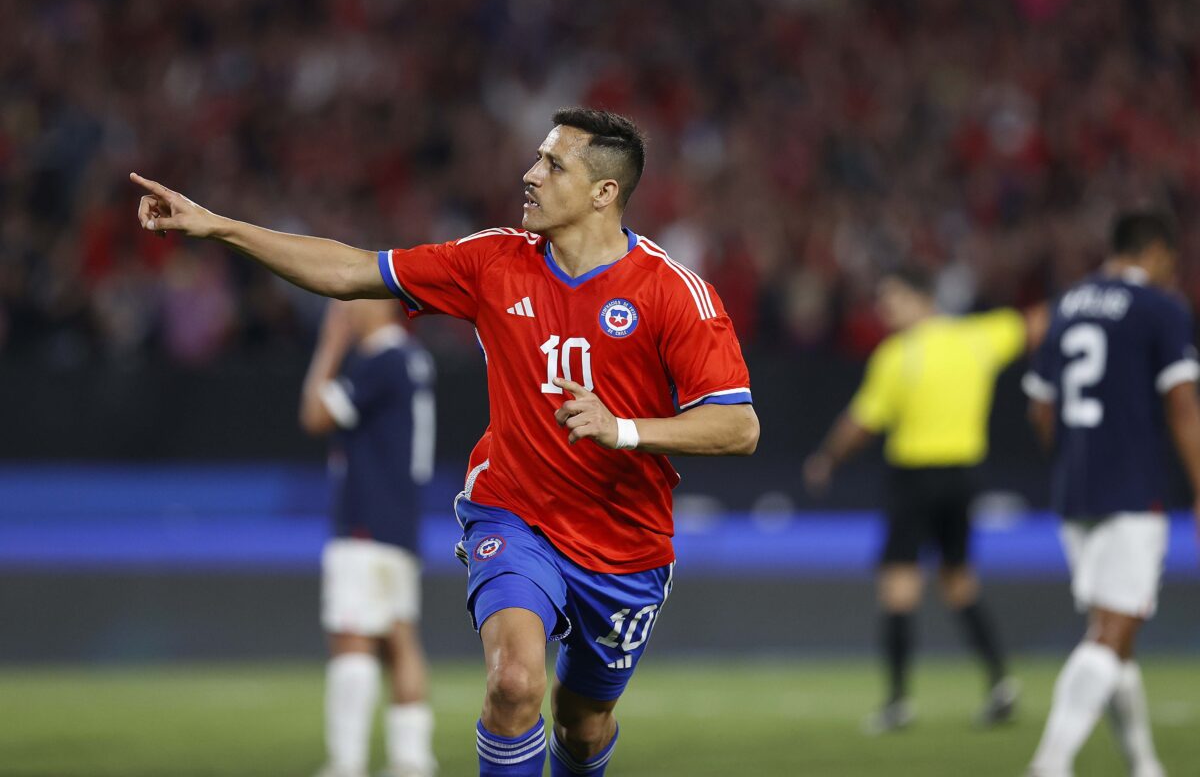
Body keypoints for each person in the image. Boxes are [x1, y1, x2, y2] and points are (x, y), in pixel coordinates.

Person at [131, 107, 759, 777]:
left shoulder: (673, 293)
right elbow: (351, 272)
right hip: (516, 515)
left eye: (553, 164)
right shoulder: (492, 261)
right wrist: (218, 226)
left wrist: (625, 430)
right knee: (514, 683)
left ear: (605, 192)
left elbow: (738, 426)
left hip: (625, 543)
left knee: (582, 726)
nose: (530, 174)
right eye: (536, 158)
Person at [803, 265, 1040, 734]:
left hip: (914, 478)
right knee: (959, 582)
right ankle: (999, 685)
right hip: (965, 476)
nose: (884, 309)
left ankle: (897, 703)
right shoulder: (979, 338)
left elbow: (861, 424)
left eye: (892, 299)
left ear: (921, 298)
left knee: (899, 585)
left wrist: (827, 459)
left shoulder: (897, 356)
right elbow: (1038, 323)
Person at [1022, 212, 1200, 777]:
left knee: (1112, 632)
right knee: (1113, 630)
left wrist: (1075, 462)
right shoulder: (1162, 308)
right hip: (1133, 489)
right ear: (1155, 252)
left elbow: (1040, 408)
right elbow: (1183, 405)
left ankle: (1145, 765)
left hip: (1075, 489)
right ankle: (1051, 763)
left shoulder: (1067, 304)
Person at [300, 298, 438, 777]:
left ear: (379, 306)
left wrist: (329, 347)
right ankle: (412, 759)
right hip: (400, 517)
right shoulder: (412, 358)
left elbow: (316, 414)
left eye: (350, 301)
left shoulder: (381, 360)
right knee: (400, 635)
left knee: (353, 636)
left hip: (366, 518)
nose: (342, 312)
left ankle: (347, 762)